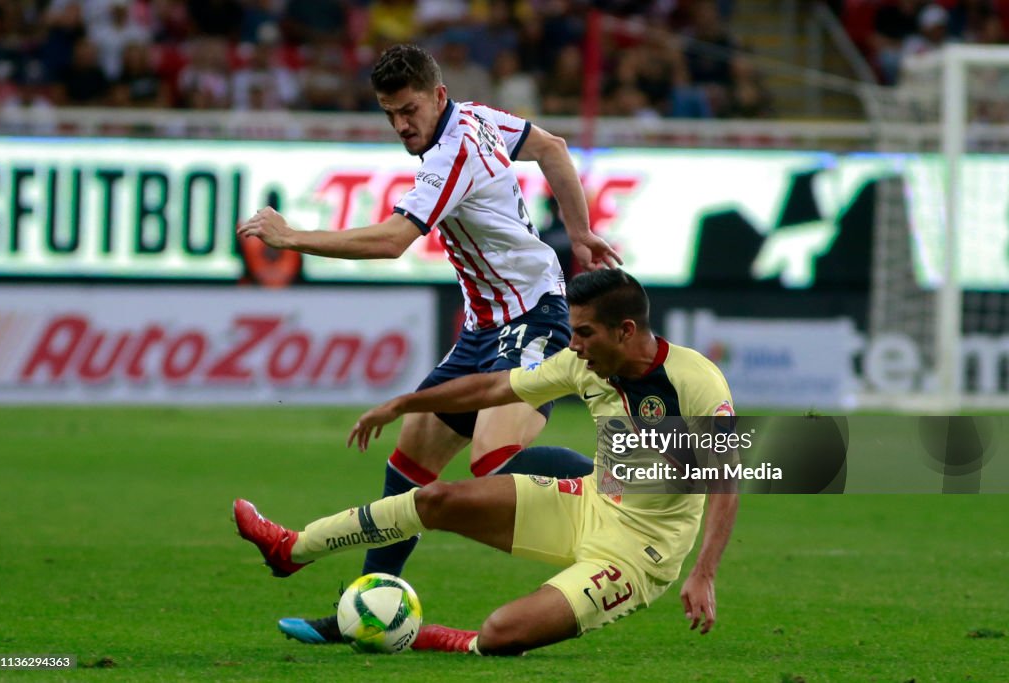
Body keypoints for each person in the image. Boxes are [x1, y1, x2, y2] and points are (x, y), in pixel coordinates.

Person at [236, 43, 621, 643]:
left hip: (535, 316)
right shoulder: (479, 118)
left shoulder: (451, 153)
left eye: (408, 109)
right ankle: (358, 614)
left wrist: (290, 237)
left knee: (494, 460)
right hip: (483, 328)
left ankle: (627, 490)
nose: (401, 125)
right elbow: (553, 148)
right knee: (408, 468)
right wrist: (579, 232)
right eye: (390, 114)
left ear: (437, 96)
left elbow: (393, 241)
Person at [234, 269, 739, 655]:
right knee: (435, 498)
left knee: (500, 634)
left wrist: (704, 574)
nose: (575, 346)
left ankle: (453, 641)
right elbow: (493, 386)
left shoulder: (695, 380)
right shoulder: (581, 362)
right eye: (572, 332)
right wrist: (405, 403)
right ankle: (291, 549)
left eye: (584, 333)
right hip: (588, 502)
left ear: (626, 330)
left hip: (636, 557)